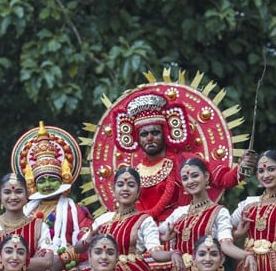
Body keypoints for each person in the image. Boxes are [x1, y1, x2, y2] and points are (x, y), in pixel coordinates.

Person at [87, 87, 257, 224]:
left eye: (155, 132)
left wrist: (242, 167)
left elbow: (223, 179)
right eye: (144, 134)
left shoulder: (184, 161)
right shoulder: (133, 173)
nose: (150, 138)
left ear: (166, 133)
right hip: (143, 237)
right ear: (137, 138)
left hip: (180, 231)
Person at [12, 122, 92, 271]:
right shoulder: (25, 212)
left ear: (64, 177)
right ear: (33, 183)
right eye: (42, 180)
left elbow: (89, 241)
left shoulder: (76, 211)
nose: (47, 184)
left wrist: (62, 259)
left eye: (52, 179)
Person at [0, 173, 53, 271]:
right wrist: (31, 262)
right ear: (0, 195)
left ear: (27, 194)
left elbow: (47, 262)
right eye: (7, 192)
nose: (13, 197)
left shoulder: (40, 226)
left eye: (18, 191)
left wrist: (0, 259)